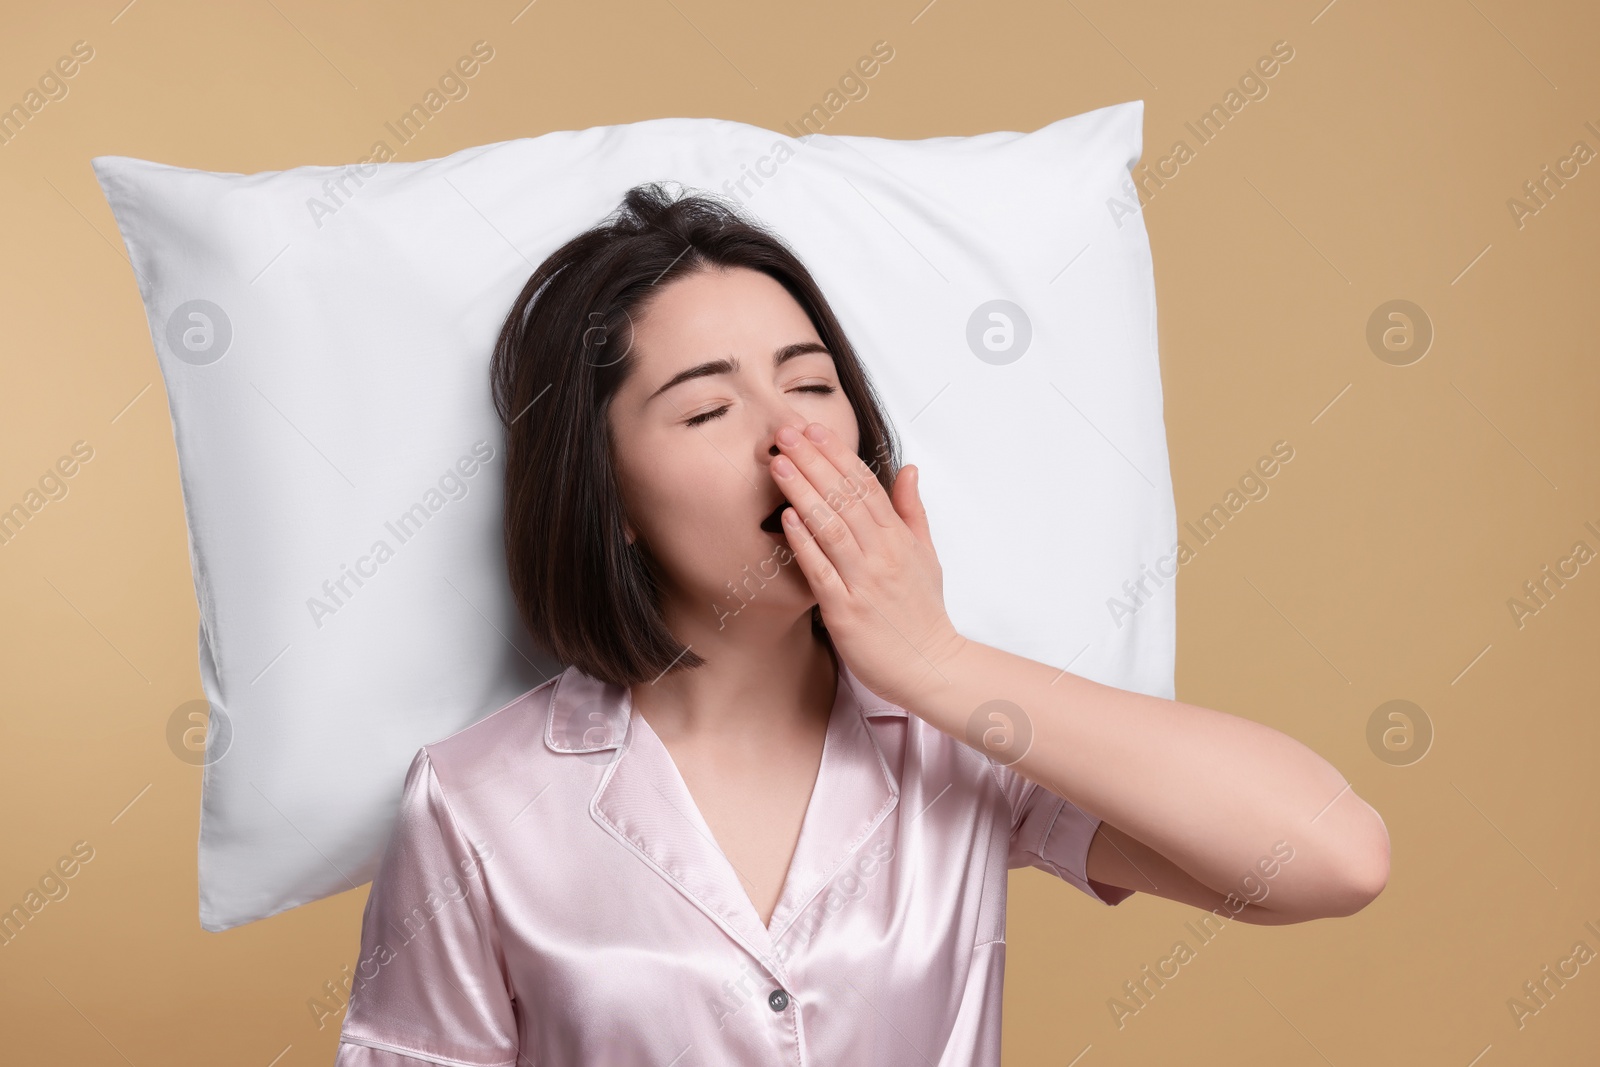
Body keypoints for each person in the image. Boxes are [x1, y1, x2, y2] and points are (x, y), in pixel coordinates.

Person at [331, 182, 1389, 1065]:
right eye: (707, 409)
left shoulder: (964, 742)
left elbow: (1332, 857)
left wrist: (936, 662)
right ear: (605, 495)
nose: (792, 432)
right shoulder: (473, 805)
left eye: (812, 383)